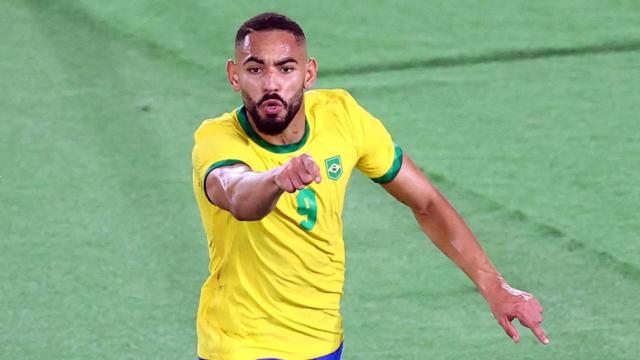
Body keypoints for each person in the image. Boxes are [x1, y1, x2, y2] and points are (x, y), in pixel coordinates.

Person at [191, 12, 548, 360]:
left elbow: (426, 202)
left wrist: (495, 287)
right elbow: (237, 195)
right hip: (240, 344)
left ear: (308, 73)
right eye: (255, 69)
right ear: (234, 75)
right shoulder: (218, 139)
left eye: (285, 69)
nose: (271, 83)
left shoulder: (342, 116)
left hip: (321, 340)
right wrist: (276, 179)